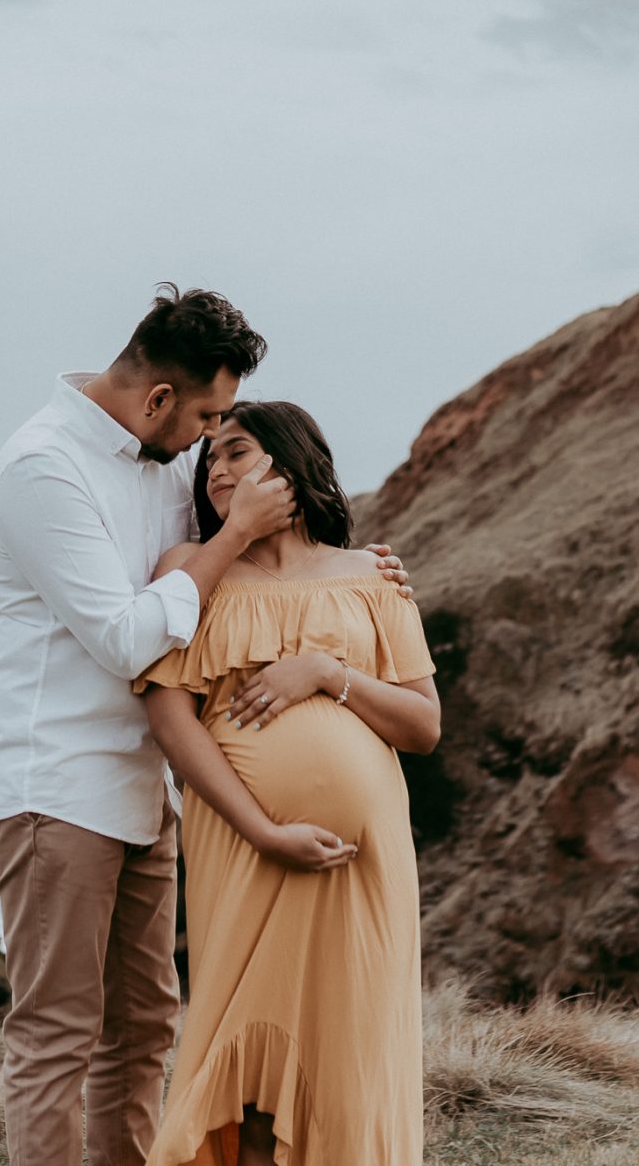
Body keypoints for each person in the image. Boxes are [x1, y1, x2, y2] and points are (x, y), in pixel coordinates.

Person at [0, 287, 410, 1166]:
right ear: (160, 399)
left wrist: (362, 564)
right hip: (54, 783)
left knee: (144, 1028)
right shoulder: (42, 467)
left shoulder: (166, 454)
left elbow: (243, 539)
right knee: (58, 1032)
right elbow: (131, 636)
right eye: (206, 414)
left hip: (144, 793)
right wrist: (237, 530)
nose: (212, 439)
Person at [135, 400, 440, 1166]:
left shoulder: (372, 576)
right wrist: (264, 832)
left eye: (236, 452)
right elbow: (173, 724)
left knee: (348, 1045)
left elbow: (423, 726)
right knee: (248, 1061)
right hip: (245, 847)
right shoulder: (189, 574)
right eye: (209, 462)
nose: (218, 470)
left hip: (362, 867)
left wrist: (328, 673)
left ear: (292, 464)